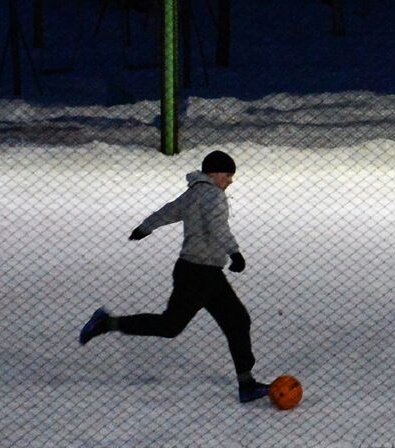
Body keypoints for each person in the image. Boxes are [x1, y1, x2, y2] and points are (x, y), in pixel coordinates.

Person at [79, 150, 269, 403]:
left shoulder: (194, 193)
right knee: (173, 326)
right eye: (227, 175)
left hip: (201, 271)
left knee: (236, 320)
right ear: (213, 174)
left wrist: (145, 227)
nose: (230, 181)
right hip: (199, 273)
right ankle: (106, 323)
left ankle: (247, 385)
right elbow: (218, 228)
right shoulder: (213, 195)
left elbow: (169, 211)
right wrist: (235, 253)